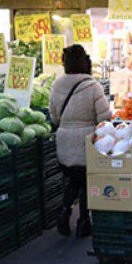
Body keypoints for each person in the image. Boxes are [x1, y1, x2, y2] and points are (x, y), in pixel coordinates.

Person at [49, 44, 110, 238]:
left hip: (64, 141)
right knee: (85, 182)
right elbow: (104, 118)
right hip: (85, 141)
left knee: (73, 180)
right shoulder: (93, 86)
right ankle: (83, 221)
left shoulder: (56, 85)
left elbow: (54, 117)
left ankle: (64, 212)